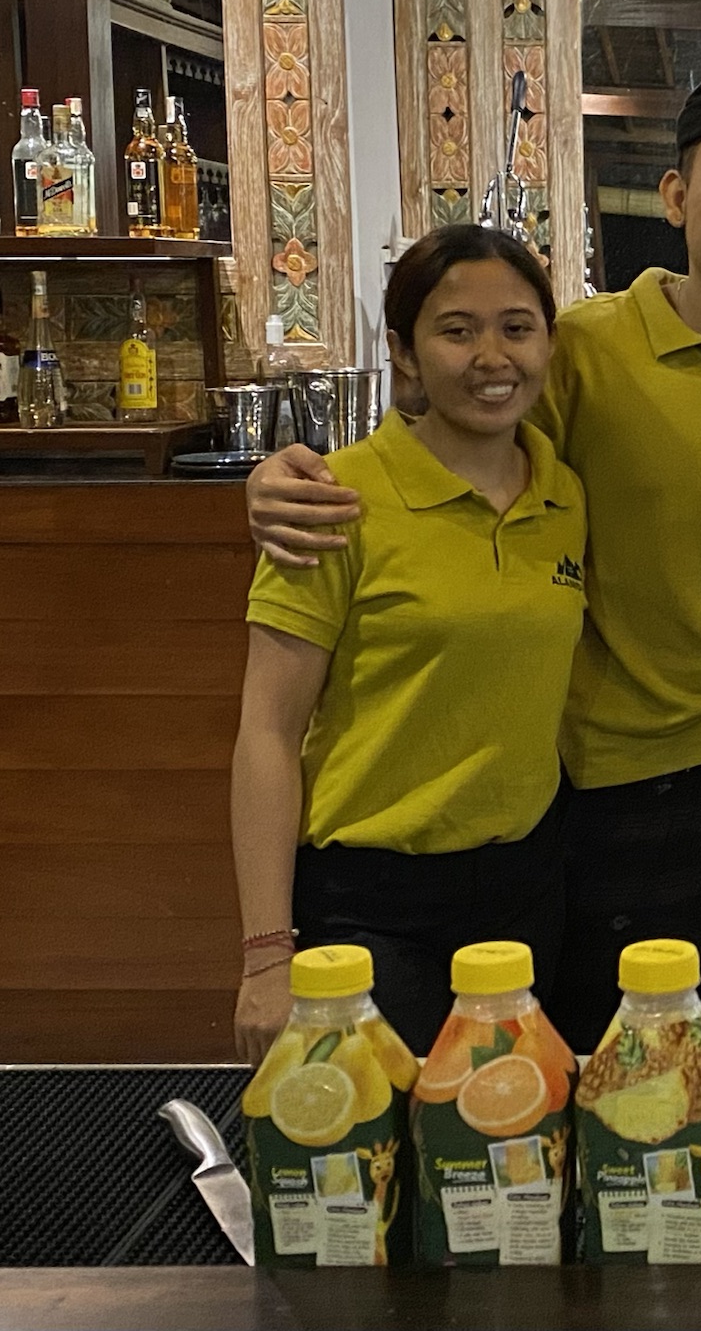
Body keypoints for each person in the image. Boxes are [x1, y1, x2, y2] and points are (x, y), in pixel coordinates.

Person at [243, 64, 701, 1058]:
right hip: (619, 781)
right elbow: (459, 446)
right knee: (621, 1079)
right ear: (677, 197)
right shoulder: (581, 349)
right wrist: (287, 476)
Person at [232, 225, 583, 1059]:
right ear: (405, 352)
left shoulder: (565, 493)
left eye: (517, 328)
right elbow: (267, 733)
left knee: (513, 1128)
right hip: (372, 904)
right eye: (457, 330)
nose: (492, 357)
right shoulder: (334, 501)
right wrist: (266, 955)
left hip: (528, 891)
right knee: (379, 1135)